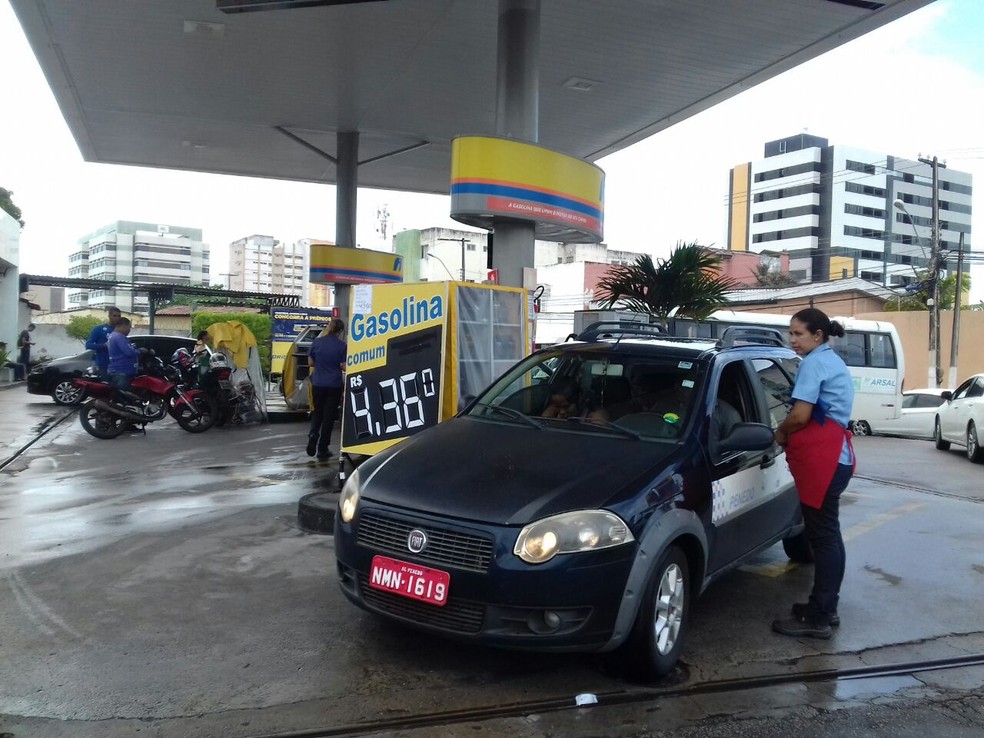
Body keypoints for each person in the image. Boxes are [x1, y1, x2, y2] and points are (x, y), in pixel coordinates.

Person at [771, 308, 856, 640]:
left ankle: (819, 617)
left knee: (824, 539)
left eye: (798, 334)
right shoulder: (830, 360)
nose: (792, 340)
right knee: (828, 537)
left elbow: (801, 415)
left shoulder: (814, 364)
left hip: (826, 460)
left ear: (817, 335)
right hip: (838, 458)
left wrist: (780, 432)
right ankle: (825, 608)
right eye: (790, 333)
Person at [306, 318, 346, 461]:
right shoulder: (342, 346)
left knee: (317, 412)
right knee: (329, 417)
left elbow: (310, 362)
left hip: (318, 383)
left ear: (329, 327)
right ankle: (323, 449)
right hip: (334, 385)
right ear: (341, 331)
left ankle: (313, 435)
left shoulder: (317, 342)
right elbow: (344, 366)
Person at [107, 317, 142, 392]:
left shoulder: (112, 336)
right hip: (122, 372)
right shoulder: (120, 337)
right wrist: (140, 351)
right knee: (123, 397)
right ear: (123, 326)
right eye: (129, 327)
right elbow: (129, 352)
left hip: (116, 371)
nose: (129, 330)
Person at [84, 306, 122, 374]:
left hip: (118, 365)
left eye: (119, 316)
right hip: (103, 364)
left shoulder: (121, 330)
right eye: (115, 316)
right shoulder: (99, 329)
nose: (117, 318)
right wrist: (103, 345)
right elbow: (88, 345)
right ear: (109, 316)